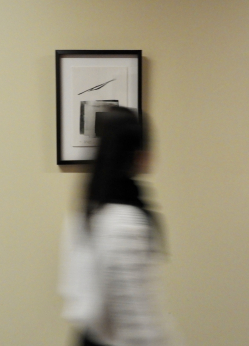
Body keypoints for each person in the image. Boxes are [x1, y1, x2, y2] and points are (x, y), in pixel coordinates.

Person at [59, 106, 174, 346]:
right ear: (138, 153)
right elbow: (135, 318)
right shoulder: (126, 222)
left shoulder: (87, 211)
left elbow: (75, 295)